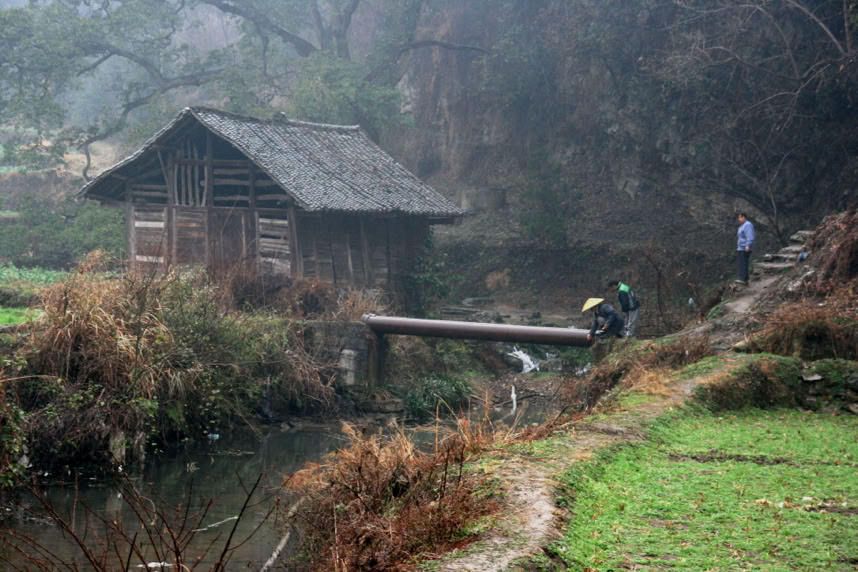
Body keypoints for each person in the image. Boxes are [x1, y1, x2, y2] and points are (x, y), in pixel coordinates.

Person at [735, 212, 755, 284]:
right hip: (740, 247)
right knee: (741, 262)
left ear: (744, 217)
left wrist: (748, 245)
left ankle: (743, 279)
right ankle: (742, 278)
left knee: (744, 262)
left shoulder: (748, 225)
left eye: (741, 217)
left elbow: (750, 236)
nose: (739, 219)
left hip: (745, 247)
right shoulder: (742, 226)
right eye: (738, 217)